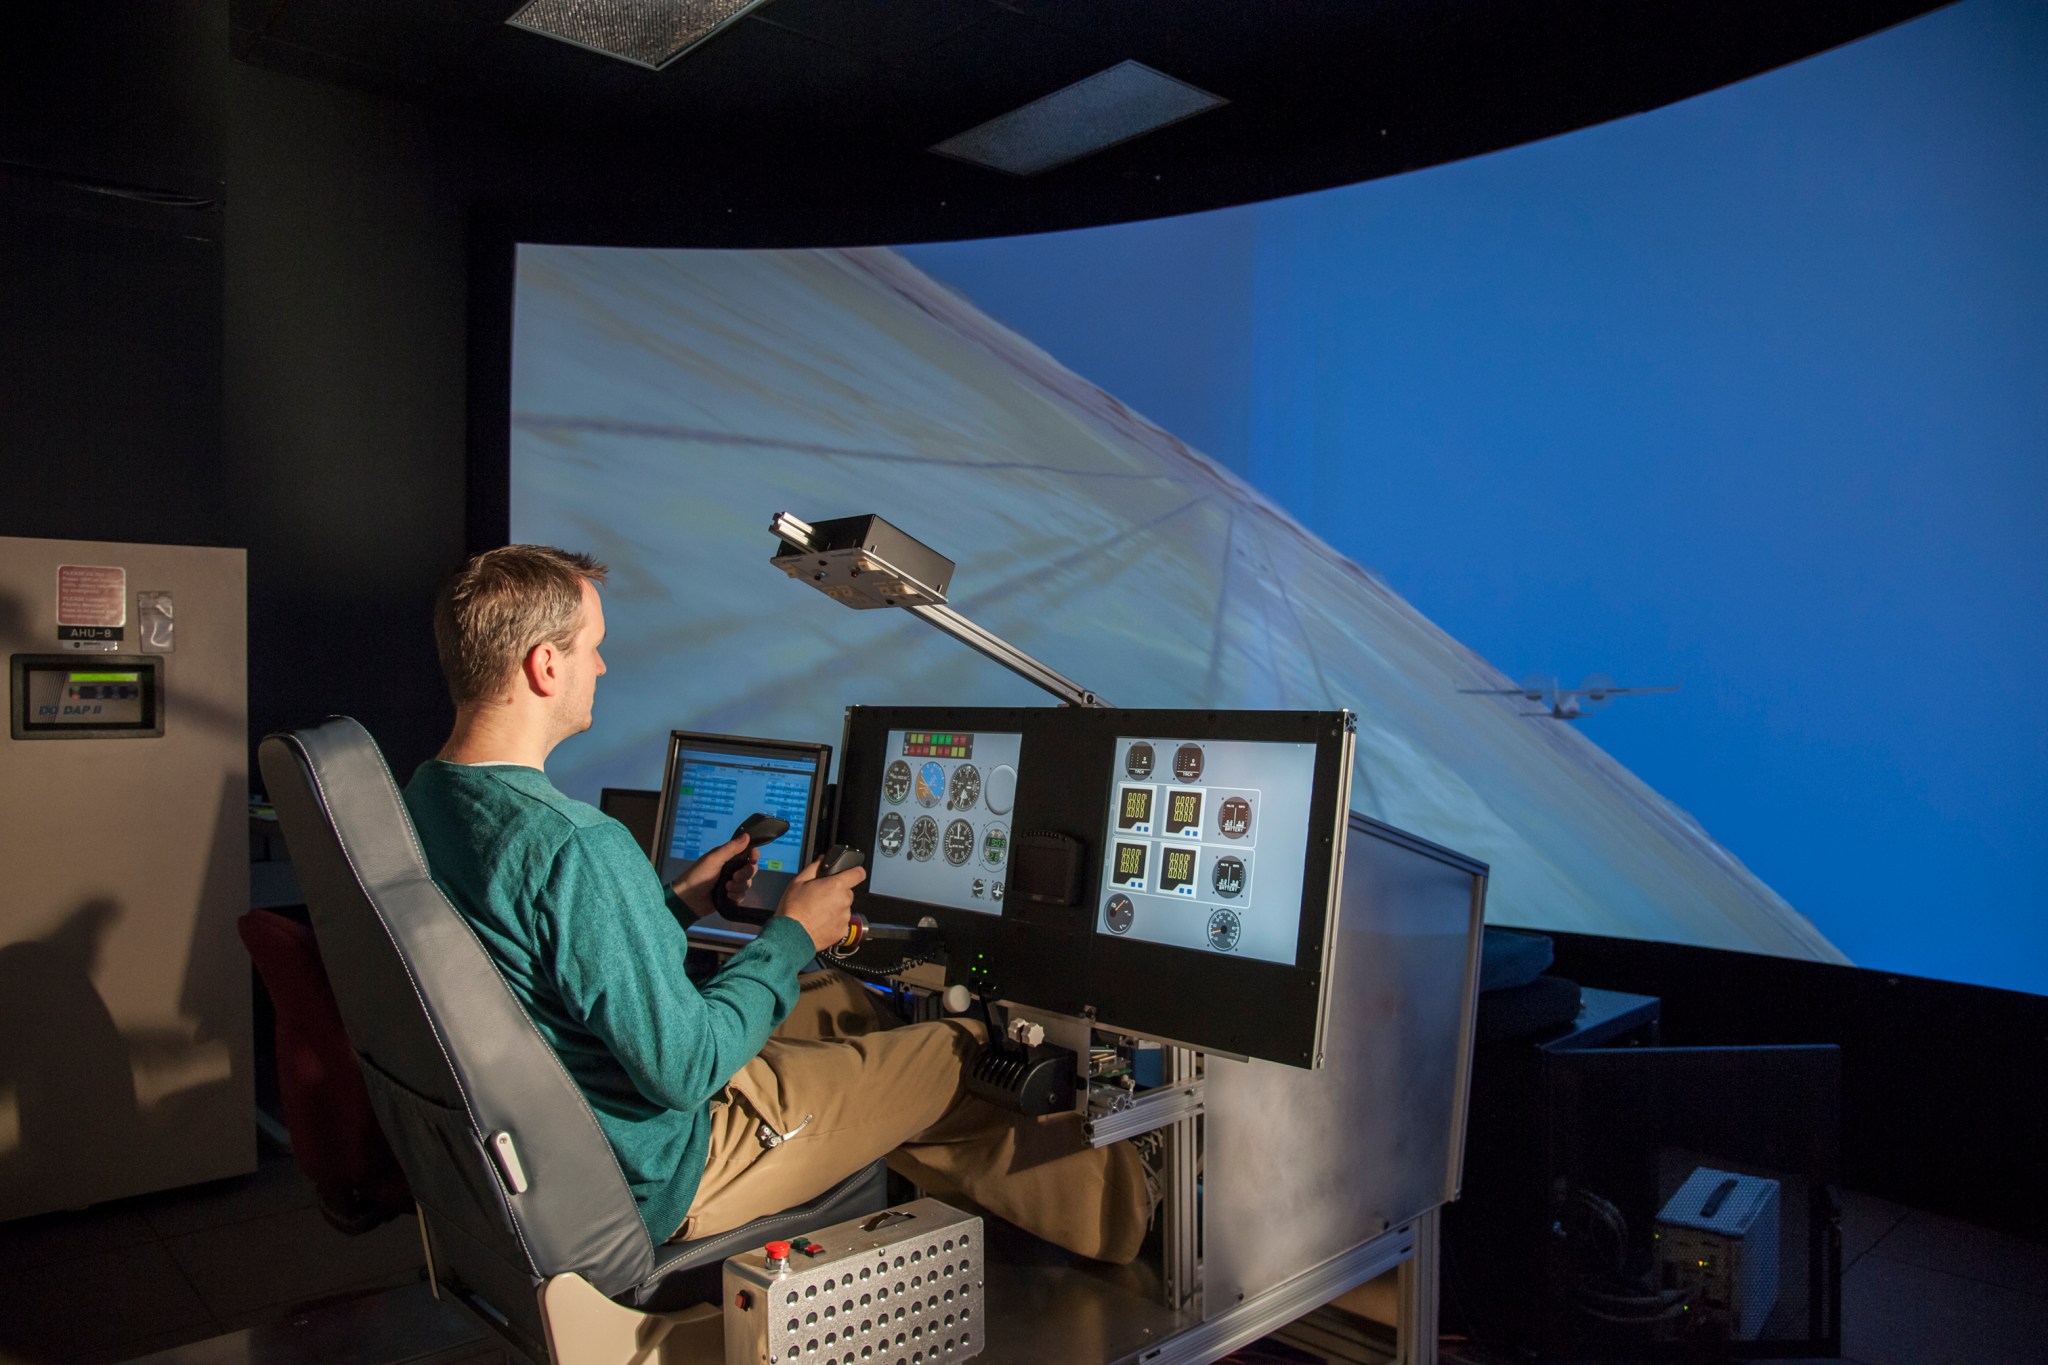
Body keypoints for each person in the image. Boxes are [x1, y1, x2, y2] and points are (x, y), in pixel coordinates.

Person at [402, 544, 1150, 1261]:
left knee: (850, 1004)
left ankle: (1039, 1198)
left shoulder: (429, 801)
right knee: (955, 1048)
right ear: (543, 665)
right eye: (592, 646)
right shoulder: (574, 846)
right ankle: (1133, 1214)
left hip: (569, 1135)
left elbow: (553, 962)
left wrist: (679, 905)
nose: (600, 664)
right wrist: (794, 930)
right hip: (664, 1166)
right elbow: (686, 1067)